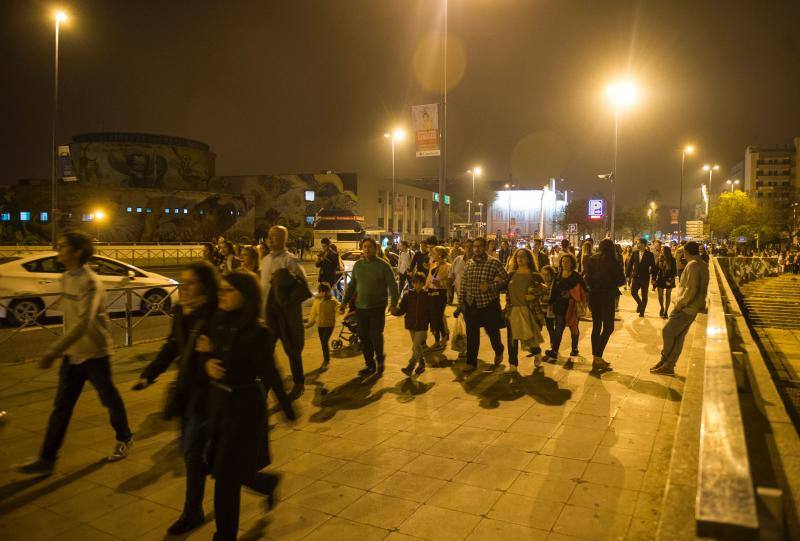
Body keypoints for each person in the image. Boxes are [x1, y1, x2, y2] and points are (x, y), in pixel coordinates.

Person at [16, 231, 133, 475]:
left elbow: (84, 322)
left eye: (63, 246)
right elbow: (71, 307)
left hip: (95, 354)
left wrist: (53, 350)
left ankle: (124, 437)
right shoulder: (66, 278)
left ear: (77, 251)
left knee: (109, 399)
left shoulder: (91, 282)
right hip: (72, 355)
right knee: (61, 407)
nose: (59, 249)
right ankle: (46, 459)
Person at [198, 272, 296, 541]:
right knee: (227, 469)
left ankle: (224, 536)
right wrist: (206, 360)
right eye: (221, 290)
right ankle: (266, 482)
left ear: (245, 296)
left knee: (225, 476)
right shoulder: (216, 321)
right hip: (219, 407)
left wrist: (287, 408)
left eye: (228, 290)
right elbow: (200, 351)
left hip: (244, 409)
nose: (222, 295)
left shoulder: (258, 332)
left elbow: (270, 373)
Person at [133, 261, 218, 535]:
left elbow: (233, 348)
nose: (183, 288)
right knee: (193, 452)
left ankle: (192, 512)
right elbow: (172, 344)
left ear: (204, 286)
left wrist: (214, 349)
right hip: (186, 390)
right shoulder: (182, 310)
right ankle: (257, 480)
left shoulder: (216, 312)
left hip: (209, 395)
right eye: (181, 282)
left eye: (189, 283)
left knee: (193, 454)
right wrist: (150, 373)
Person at [261, 225, 311, 395]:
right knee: (266, 350)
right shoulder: (266, 259)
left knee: (292, 348)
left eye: (274, 236)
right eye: (269, 236)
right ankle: (266, 384)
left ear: (283, 239)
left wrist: (288, 300)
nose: (270, 239)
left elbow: (302, 285)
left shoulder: (290, 260)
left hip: (286, 313)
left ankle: (298, 381)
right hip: (269, 313)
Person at [340, 238, 400, 376]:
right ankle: (369, 365)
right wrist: (344, 303)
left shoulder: (383, 265)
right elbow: (351, 286)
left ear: (376, 249)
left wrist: (394, 304)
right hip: (361, 307)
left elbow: (393, 285)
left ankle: (379, 359)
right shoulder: (358, 266)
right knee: (363, 337)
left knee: (375, 335)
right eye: (364, 247)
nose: (367, 249)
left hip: (377, 307)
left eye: (370, 247)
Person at [651, 242, 709, 375]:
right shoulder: (702, 264)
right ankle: (668, 365)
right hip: (693, 307)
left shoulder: (693, 265)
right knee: (678, 337)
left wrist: (679, 304)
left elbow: (690, 289)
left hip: (686, 308)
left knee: (667, 331)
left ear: (686, 252)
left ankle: (666, 361)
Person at [459, 237, 508, 371]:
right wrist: (461, 301)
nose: (476, 249)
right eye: (474, 246)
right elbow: (464, 282)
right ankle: (471, 362)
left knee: (493, 333)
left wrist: (491, 286)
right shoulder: (469, 263)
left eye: (479, 246)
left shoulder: (494, 263)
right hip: (472, 304)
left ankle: (499, 350)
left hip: (488, 305)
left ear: (486, 247)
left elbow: (505, 279)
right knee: (472, 335)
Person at [585, 239, 625, 372]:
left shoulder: (592, 259)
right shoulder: (614, 262)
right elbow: (621, 280)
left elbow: (587, 278)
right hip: (607, 297)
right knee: (608, 327)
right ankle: (598, 356)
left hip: (594, 296)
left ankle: (596, 358)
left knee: (596, 326)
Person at [505, 248, 546, 371]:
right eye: (517, 256)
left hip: (529, 310)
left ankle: (537, 352)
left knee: (529, 337)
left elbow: (544, 289)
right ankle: (513, 364)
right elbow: (503, 287)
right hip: (513, 310)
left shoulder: (535, 275)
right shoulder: (511, 274)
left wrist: (534, 294)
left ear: (528, 258)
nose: (520, 259)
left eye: (523, 256)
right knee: (512, 338)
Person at [546, 252, 588, 365]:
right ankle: (554, 351)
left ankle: (574, 348)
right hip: (560, 306)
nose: (564, 264)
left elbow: (585, 289)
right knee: (559, 328)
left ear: (572, 263)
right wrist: (550, 302)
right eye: (563, 261)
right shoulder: (557, 275)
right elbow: (554, 290)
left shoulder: (576, 276)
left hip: (572, 307)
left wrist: (573, 295)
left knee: (573, 327)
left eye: (567, 262)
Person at [391, 273, 431, 376]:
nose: (417, 285)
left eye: (420, 283)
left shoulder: (427, 295)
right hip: (411, 324)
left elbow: (431, 312)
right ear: (412, 283)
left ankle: (410, 367)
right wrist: (395, 311)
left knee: (415, 347)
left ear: (423, 283)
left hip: (422, 325)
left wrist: (434, 327)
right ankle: (422, 363)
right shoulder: (408, 295)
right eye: (415, 282)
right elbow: (402, 309)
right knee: (417, 347)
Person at [305, 282, 339, 370]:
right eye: (320, 291)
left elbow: (338, 309)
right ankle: (326, 359)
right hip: (320, 325)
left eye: (324, 291)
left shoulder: (333, 300)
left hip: (329, 325)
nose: (322, 293)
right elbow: (313, 313)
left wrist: (342, 309)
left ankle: (326, 361)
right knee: (323, 343)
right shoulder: (317, 301)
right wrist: (310, 323)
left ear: (328, 291)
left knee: (324, 341)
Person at [426, 246, 452, 348]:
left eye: (434, 253)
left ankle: (444, 335)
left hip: (441, 294)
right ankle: (436, 339)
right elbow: (428, 280)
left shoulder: (448, 267)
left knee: (439, 315)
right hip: (431, 293)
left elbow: (450, 283)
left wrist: (440, 283)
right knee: (432, 316)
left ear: (440, 255)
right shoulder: (433, 265)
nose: (432, 255)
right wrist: (423, 288)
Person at [626, 238, 657, 317]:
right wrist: (627, 276)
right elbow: (630, 265)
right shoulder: (635, 253)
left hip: (645, 278)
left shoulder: (650, 254)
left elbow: (653, 267)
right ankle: (640, 304)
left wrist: (653, 278)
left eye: (638, 243)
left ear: (643, 245)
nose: (637, 245)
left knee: (644, 295)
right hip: (636, 277)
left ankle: (642, 312)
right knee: (633, 292)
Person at [654, 245, 677, 319]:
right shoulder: (659, 259)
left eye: (663, 250)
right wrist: (653, 279)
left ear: (667, 251)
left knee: (668, 295)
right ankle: (662, 307)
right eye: (661, 250)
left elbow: (674, 272)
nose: (661, 251)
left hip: (669, 279)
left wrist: (670, 280)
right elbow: (655, 270)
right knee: (660, 295)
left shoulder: (672, 260)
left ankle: (666, 311)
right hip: (660, 279)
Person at [451, 239, 473, 306]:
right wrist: (449, 290)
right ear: (464, 247)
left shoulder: (478, 261)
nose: (468, 249)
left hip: (473, 295)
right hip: (460, 293)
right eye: (467, 247)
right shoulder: (458, 259)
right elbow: (451, 274)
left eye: (471, 247)